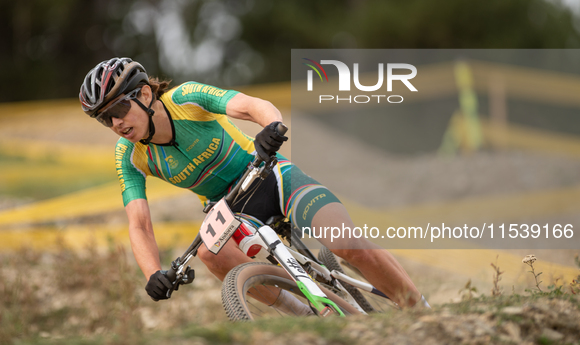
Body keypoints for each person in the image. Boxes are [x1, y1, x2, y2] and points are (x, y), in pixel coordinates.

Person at [79, 57, 428, 309]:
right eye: (104, 118)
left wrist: (271, 127)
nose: (115, 123)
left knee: (345, 243)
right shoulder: (129, 155)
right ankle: (306, 314)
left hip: (270, 175)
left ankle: (418, 308)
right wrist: (152, 272)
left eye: (119, 109)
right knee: (207, 252)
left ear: (142, 95)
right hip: (230, 209)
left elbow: (250, 106)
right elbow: (139, 223)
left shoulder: (185, 99)